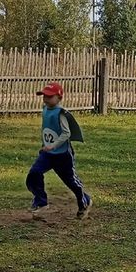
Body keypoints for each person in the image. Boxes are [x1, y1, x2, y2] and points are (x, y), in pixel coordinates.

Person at [26, 81, 92, 219]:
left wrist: (53, 145)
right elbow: (46, 130)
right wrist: (45, 145)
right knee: (34, 173)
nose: (46, 99)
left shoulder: (60, 113)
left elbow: (66, 133)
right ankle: (41, 203)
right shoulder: (45, 109)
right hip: (48, 154)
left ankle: (85, 202)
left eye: (50, 96)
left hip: (63, 155)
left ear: (59, 97)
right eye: (44, 96)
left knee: (71, 182)